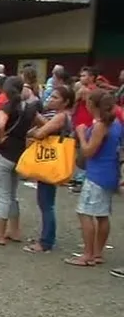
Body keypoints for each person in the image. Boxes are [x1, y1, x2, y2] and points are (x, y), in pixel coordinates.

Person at [0, 76, 40, 246]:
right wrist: (29, 133)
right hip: (19, 154)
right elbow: (45, 123)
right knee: (12, 194)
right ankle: (14, 230)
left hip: (3, 153)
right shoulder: (29, 108)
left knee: (2, 195)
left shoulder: (6, 107)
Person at [67, 90, 122, 267]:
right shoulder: (116, 123)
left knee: (85, 213)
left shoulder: (101, 126)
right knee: (102, 214)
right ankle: (97, 253)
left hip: (97, 174)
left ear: (93, 105)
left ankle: (88, 254)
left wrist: (81, 134)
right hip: (110, 172)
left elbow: (89, 151)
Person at [24, 85, 76, 253]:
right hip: (51, 160)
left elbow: (39, 133)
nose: (50, 99)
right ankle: (46, 237)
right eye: (51, 96)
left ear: (65, 102)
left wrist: (36, 125)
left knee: (46, 203)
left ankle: (46, 241)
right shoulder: (64, 116)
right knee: (47, 202)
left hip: (49, 161)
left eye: (55, 97)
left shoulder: (60, 116)